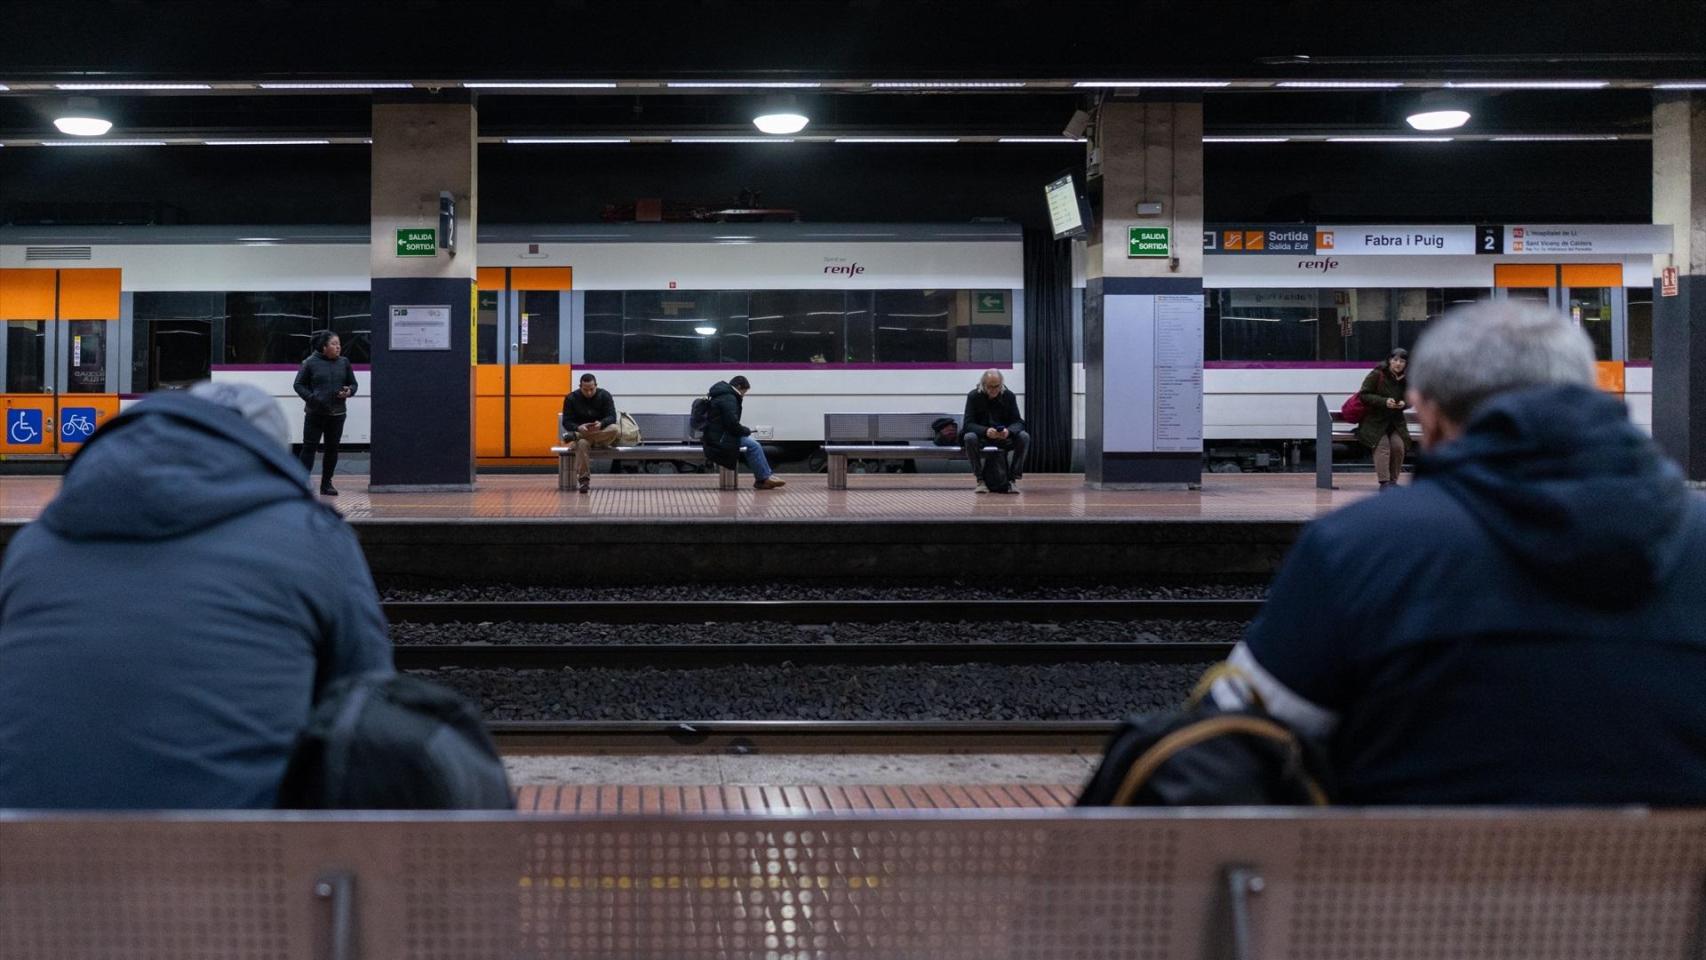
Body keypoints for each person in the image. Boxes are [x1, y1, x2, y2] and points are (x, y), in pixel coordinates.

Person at [1211, 302, 1706, 805]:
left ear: (1427, 414)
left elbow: (1231, 741)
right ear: (1586, 389)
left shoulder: (1356, 546)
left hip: (1410, 855)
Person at [0, 381, 394, 809]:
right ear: (267, 458)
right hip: (239, 842)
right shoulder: (314, 538)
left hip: (23, 838)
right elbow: (368, 702)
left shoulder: (35, 543)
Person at [293, 329, 358, 496]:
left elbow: (353, 384)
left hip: (337, 414)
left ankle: (327, 484)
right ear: (324, 347)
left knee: (332, 449)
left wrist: (349, 391)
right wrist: (311, 398)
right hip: (315, 414)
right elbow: (298, 385)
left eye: (339, 344)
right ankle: (302, 483)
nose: (338, 347)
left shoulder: (344, 362)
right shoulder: (310, 362)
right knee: (309, 448)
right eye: (334, 344)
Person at [702, 375, 784, 490]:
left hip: (717, 435)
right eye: (744, 392)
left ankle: (764, 477)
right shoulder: (729, 398)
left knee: (753, 444)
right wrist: (745, 431)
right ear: (739, 387)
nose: (743, 395)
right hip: (721, 438)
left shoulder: (723, 395)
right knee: (754, 446)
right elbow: (732, 424)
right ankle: (763, 478)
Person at [962, 369, 1028, 494]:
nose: (993, 390)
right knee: (969, 437)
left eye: (997, 386)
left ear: (1001, 384)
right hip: (983, 438)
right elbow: (968, 424)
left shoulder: (1009, 396)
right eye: (989, 387)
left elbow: (1018, 422)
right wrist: (985, 431)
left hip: (1003, 437)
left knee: (1024, 437)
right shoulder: (974, 396)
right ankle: (980, 480)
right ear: (983, 385)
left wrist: (1008, 431)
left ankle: (1012, 479)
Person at [1357, 348, 1411, 491]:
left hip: (1395, 422)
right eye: (1395, 360)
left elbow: (1412, 398)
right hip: (1374, 422)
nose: (1398, 364)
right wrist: (1384, 401)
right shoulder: (1377, 374)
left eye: (1402, 361)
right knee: (1383, 447)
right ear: (1389, 361)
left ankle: (1393, 481)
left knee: (1398, 447)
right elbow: (1364, 395)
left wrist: (1404, 403)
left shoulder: (1407, 379)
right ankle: (1384, 483)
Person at [563, 372, 618, 494]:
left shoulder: (605, 395)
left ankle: (576, 437)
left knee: (614, 429)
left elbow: (612, 417)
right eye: (585, 390)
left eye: (591, 389)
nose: (588, 393)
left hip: (603, 436)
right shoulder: (571, 398)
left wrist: (601, 424)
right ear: (580, 387)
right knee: (582, 444)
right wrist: (578, 427)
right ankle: (584, 481)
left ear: (596, 385)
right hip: (585, 438)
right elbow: (566, 422)